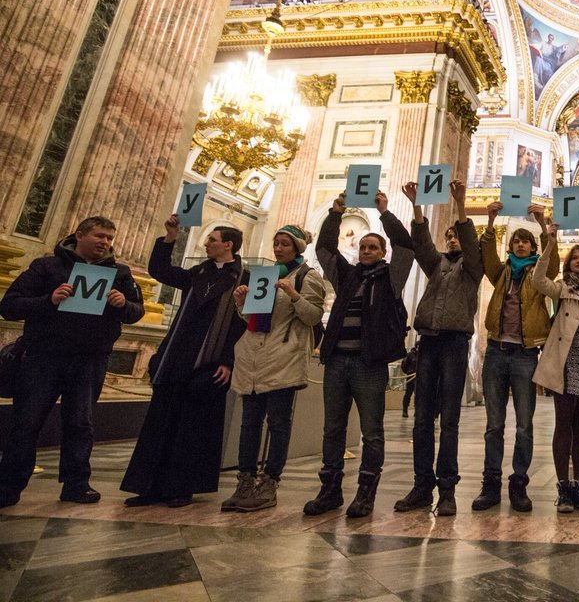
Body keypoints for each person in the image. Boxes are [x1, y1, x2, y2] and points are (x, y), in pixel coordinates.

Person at [0, 217, 144, 508]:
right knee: (27, 421)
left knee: (80, 423)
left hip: (89, 360)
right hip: (43, 357)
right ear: (79, 235)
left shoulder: (120, 273)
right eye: (100, 236)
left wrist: (122, 304)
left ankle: (76, 484)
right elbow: (10, 305)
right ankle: (9, 484)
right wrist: (48, 300)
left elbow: (136, 311)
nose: (105, 243)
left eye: (109, 239)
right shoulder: (47, 267)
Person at [304, 190, 413, 519]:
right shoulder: (346, 275)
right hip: (337, 359)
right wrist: (335, 214)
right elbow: (323, 250)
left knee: (372, 431)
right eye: (363, 247)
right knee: (332, 428)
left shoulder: (392, 278)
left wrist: (385, 212)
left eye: (373, 247)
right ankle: (330, 489)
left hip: (369, 363)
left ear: (382, 252)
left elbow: (406, 247)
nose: (366, 251)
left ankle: (366, 492)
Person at [121, 219, 245, 507]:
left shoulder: (244, 279)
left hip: (209, 360)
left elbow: (242, 326)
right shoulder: (197, 272)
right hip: (177, 356)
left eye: (212, 239)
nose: (206, 243)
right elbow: (160, 271)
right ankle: (149, 486)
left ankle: (181, 486)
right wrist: (170, 237)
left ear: (228, 244)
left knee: (192, 426)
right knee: (160, 421)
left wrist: (228, 361)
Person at [393, 180, 483, 517]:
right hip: (429, 341)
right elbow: (421, 244)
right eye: (449, 237)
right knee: (421, 420)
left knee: (450, 421)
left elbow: (473, 247)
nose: (452, 240)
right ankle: (421, 485)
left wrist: (461, 204)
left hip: (455, 345)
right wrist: (416, 206)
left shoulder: (473, 269)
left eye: (455, 236)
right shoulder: (437, 265)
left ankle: (447, 489)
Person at [222, 225, 326, 513]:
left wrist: (294, 294)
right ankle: (244, 482)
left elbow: (313, 317)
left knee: (278, 424)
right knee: (249, 423)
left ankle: (269, 482)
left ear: (296, 248)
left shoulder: (308, 276)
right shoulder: (265, 276)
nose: (278, 249)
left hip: (284, 356)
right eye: (276, 244)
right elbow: (252, 319)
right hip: (255, 357)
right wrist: (241, 303)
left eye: (284, 245)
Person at [472, 201, 557, 512]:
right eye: (517, 241)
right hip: (496, 351)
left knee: (524, 424)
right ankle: (490, 483)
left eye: (526, 241)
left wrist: (545, 225)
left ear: (533, 246)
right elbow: (487, 256)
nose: (521, 244)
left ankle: (519, 484)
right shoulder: (501, 273)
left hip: (524, 354)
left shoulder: (538, 275)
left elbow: (555, 264)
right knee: (494, 424)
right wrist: (491, 220)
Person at [532, 224, 579, 513]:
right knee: (564, 423)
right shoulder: (561, 288)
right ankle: (563, 487)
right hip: (565, 360)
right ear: (568, 263)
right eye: (574, 258)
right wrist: (550, 244)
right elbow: (539, 280)